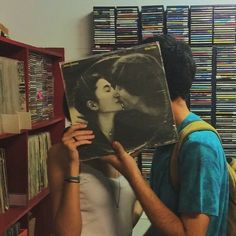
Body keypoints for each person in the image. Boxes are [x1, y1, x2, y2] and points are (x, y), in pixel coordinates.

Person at [102, 34, 229, 236]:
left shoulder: (198, 144)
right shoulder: (168, 136)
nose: (119, 96)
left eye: (127, 84)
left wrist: (132, 173)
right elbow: (163, 212)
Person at [47, 56, 142, 236]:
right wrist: (73, 165)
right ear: (92, 104)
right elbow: (66, 233)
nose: (116, 93)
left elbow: (130, 209)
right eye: (108, 89)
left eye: (113, 87)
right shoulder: (61, 154)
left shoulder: (127, 148)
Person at [110, 52, 178, 153]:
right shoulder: (125, 122)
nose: (115, 93)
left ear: (136, 86)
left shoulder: (171, 120)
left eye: (120, 87)